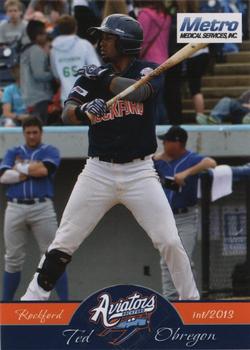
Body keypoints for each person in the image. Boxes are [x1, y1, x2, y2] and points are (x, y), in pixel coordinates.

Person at [21, 14, 199, 301]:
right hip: (97, 172)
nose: (102, 43)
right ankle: (30, 302)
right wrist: (84, 111)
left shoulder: (149, 70)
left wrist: (105, 78)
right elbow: (67, 113)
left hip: (140, 172)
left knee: (168, 240)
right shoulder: (91, 76)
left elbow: (140, 93)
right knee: (65, 240)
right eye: (102, 37)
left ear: (126, 43)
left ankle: (193, 304)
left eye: (108, 38)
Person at [0, 116, 68, 301]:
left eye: (35, 132)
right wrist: (30, 169)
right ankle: (5, 307)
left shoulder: (49, 150)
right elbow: (4, 177)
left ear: (41, 132)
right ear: (23, 133)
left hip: (42, 207)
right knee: (12, 259)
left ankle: (65, 305)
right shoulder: (13, 150)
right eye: (28, 132)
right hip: (15, 206)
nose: (31, 136)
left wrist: (19, 167)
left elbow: (44, 170)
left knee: (53, 257)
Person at [154, 126, 217, 299]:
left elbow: (211, 163)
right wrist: (157, 157)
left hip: (186, 216)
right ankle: (170, 300)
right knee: (167, 260)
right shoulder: (162, 161)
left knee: (184, 259)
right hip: (166, 217)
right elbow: (142, 164)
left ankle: (190, 300)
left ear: (177, 143)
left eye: (166, 141)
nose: (163, 144)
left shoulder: (190, 158)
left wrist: (187, 173)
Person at [50, 15, 100, 106]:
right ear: (76, 27)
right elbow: (96, 69)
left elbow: (56, 76)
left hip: (66, 98)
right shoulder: (84, 45)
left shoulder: (54, 50)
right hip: (86, 96)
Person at [20, 20, 53, 125]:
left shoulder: (26, 50)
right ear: (37, 35)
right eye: (44, 33)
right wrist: (54, 73)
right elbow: (39, 75)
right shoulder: (36, 50)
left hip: (30, 97)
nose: (46, 36)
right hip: (39, 98)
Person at [1, 62, 30, 127]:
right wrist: (19, 117)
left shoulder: (33, 89)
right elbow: (6, 113)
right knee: (9, 123)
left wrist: (28, 117)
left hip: (29, 117)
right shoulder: (9, 90)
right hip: (14, 118)